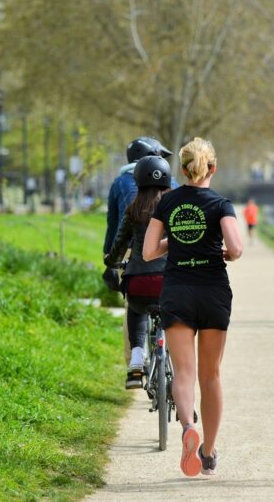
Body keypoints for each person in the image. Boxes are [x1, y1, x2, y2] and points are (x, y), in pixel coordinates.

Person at [143, 137, 242, 477]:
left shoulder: (167, 203)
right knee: (210, 375)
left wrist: (176, 241)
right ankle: (209, 452)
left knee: (183, 373)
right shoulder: (220, 204)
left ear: (182, 170)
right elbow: (237, 248)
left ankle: (187, 427)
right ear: (211, 168)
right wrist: (219, 250)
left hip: (178, 291)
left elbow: (148, 251)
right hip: (213, 291)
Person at [103, 136, 174, 372]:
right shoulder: (171, 195)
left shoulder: (124, 193)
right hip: (168, 276)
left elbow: (115, 231)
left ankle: (134, 360)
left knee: (134, 309)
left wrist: (110, 261)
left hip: (137, 270)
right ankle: (179, 366)